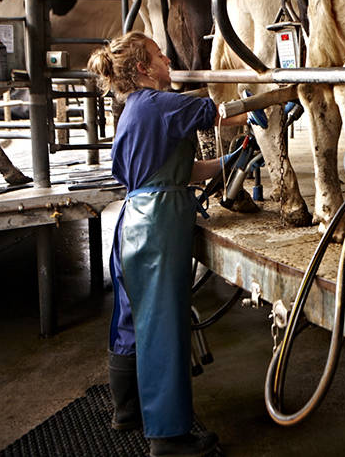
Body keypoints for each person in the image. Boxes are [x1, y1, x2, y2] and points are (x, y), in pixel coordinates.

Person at [88, 31, 244, 457]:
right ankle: (169, 437)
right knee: (163, 326)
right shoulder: (163, 103)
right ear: (143, 68)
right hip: (158, 226)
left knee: (131, 319)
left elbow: (180, 169)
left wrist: (228, 163)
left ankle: (128, 412)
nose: (168, 63)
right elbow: (227, 112)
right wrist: (273, 103)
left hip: (132, 219)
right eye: (160, 57)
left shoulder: (134, 110)